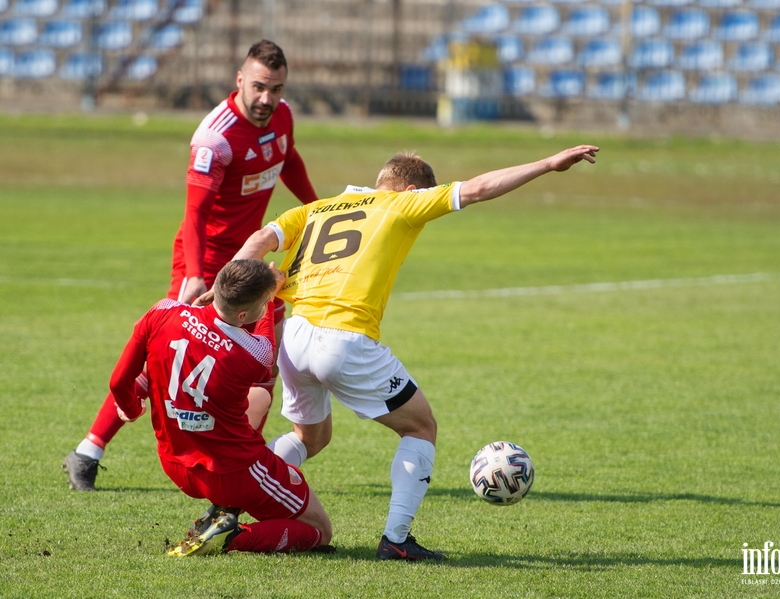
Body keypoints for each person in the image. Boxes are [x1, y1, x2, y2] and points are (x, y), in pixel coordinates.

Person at [212, 144, 598, 560]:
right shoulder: (399, 204)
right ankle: (396, 541)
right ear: (411, 189)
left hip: (295, 336)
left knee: (310, 437)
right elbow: (479, 188)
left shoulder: (317, 208)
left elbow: (258, 240)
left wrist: (221, 299)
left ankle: (226, 507)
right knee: (420, 427)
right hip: (344, 339)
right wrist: (547, 163)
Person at [63, 39, 318, 491]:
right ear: (239, 80)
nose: (266, 98)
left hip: (250, 260)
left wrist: (319, 210)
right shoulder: (214, 137)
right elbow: (194, 214)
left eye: (276, 89)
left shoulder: (282, 117)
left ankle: (239, 463)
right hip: (204, 260)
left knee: (261, 365)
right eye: (258, 86)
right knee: (170, 355)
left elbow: (289, 160)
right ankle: (89, 449)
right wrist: (195, 274)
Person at [112, 259, 333, 556]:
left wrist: (132, 406)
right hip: (233, 472)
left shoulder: (162, 311)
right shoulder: (252, 354)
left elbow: (118, 382)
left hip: (175, 463)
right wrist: (271, 301)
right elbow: (265, 345)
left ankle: (225, 507)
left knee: (259, 399)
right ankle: (231, 537)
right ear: (243, 314)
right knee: (318, 530)